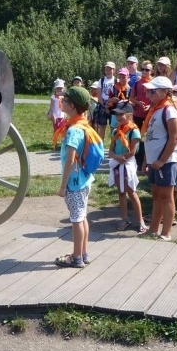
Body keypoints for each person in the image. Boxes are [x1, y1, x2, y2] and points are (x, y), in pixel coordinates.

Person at [53, 86, 101, 268]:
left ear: (72, 106)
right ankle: (83, 253)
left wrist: (62, 186)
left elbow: (70, 161)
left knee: (76, 220)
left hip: (74, 183)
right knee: (82, 217)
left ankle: (76, 257)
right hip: (84, 180)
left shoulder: (74, 130)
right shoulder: (83, 124)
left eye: (64, 100)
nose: (61, 102)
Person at [141, 76, 177, 241]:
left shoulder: (169, 110)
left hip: (166, 161)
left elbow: (174, 138)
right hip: (154, 161)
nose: (149, 94)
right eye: (148, 91)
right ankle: (153, 229)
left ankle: (166, 233)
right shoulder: (156, 109)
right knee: (156, 195)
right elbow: (149, 138)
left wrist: (162, 160)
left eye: (153, 91)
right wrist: (147, 161)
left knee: (166, 196)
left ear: (165, 92)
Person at [107, 101, 146, 234]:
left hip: (128, 164)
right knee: (121, 192)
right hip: (118, 163)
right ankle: (124, 219)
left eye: (121, 114)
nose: (118, 117)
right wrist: (115, 157)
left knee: (131, 192)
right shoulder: (115, 131)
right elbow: (111, 150)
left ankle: (140, 221)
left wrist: (121, 158)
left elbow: (133, 151)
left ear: (129, 115)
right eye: (116, 114)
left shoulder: (134, 131)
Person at [129, 60, 153, 173]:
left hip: (150, 114)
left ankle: (147, 163)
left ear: (151, 71)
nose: (144, 71)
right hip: (138, 114)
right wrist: (138, 103)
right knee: (137, 137)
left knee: (149, 138)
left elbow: (157, 99)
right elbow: (131, 97)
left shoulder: (154, 83)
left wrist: (150, 106)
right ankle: (138, 163)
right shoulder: (137, 83)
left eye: (147, 70)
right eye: (142, 69)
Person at [94, 62, 117, 141]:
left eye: (110, 69)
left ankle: (113, 145)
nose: (108, 71)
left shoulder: (116, 80)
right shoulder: (102, 80)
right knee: (102, 126)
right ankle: (100, 144)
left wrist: (110, 104)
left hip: (113, 106)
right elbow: (99, 93)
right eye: (106, 69)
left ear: (114, 70)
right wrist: (104, 105)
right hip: (102, 104)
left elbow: (117, 94)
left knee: (113, 126)